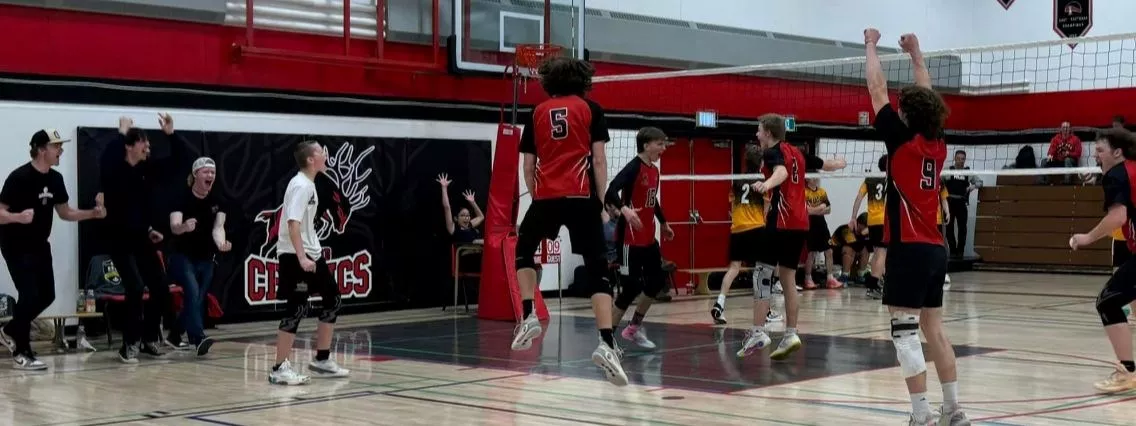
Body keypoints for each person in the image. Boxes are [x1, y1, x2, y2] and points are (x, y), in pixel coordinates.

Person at [865, 29, 968, 425]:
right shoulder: (938, 141)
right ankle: (954, 410)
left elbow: (877, 88)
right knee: (934, 330)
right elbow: (928, 98)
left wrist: (871, 43)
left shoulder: (902, 142)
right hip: (935, 248)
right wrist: (917, 55)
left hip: (908, 249)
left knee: (906, 332)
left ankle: (921, 415)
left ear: (906, 114)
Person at [511, 57, 627, 386]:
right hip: (581, 197)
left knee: (523, 250)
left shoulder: (536, 112)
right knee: (597, 267)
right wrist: (601, 200)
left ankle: (528, 314)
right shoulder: (591, 109)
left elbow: (528, 165)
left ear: (549, 81)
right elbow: (600, 160)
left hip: (546, 197)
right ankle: (606, 343)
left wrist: (538, 198)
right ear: (581, 79)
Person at [736, 115, 845, 361]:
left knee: (761, 273)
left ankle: (758, 332)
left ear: (769, 133)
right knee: (787, 276)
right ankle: (791, 333)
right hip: (800, 223)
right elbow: (824, 164)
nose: (756, 135)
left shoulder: (773, 153)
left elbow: (781, 172)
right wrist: (839, 163)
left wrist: (767, 184)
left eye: (759, 131)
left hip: (781, 221)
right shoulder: (796, 151)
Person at [0, 129, 105, 370]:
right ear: (41, 149)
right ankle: (22, 350)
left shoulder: (55, 179)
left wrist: (92, 214)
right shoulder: (19, 178)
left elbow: (65, 212)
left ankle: (10, 329)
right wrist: (17, 217)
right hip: (15, 244)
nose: (61, 150)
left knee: (47, 295)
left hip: (39, 244)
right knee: (29, 295)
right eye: (56, 146)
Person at [268, 140, 350, 386]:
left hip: (311, 254)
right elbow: (292, 223)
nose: (325, 154)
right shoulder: (301, 185)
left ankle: (322, 359)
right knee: (297, 308)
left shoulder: (310, 185)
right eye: (320, 151)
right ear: (311, 159)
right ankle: (279, 368)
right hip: (296, 257)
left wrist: (310, 254)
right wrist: (302, 256)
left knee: (333, 299)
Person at [99, 115, 177, 363]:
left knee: (160, 287)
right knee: (134, 287)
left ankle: (148, 339)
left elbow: (179, 160)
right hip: (118, 239)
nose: (148, 148)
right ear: (130, 146)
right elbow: (108, 158)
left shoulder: (146, 170)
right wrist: (121, 132)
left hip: (141, 237)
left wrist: (171, 134)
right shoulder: (114, 168)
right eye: (144, 143)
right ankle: (128, 344)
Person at [1069, 128, 1136, 393]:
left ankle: (1127, 372)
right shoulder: (1131, 169)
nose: (1095, 156)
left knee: (1108, 301)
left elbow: (1118, 217)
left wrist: (1087, 237)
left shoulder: (1118, 175)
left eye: (1100, 151)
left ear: (1117, 153)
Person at [604, 127, 674, 350]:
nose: (663, 148)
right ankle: (606, 341)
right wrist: (624, 209)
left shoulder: (654, 170)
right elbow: (610, 192)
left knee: (657, 282)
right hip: (629, 240)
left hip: (648, 239)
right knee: (631, 288)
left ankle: (633, 328)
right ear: (646, 145)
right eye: (660, 144)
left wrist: (663, 223)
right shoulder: (634, 168)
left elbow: (653, 201)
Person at [711, 145, 782, 325]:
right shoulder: (762, 181)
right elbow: (766, 207)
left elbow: (732, 204)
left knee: (734, 268)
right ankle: (765, 312)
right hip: (756, 228)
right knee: (762, 270)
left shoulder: (737, 180)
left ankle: (720, 303)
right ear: (761, 162)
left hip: (737, 229)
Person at [166, 155, 229, 357]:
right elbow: (174, 227)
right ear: (195, 175)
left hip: (206, 256)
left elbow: (218, 228)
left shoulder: (217, 200)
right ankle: (198, 338)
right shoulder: (180, 197)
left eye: (213, 172)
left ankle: (175, 335)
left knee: (198, 299)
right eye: (206, 172)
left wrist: (221, 243)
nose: (210, 175)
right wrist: (184, 226)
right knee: (192, 292)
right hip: (182, 255)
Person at [850, 154, 888, 299]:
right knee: (882, 253)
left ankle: (877, 282)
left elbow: (859, 198)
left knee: (879, 252)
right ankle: (873, 285)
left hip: (872, 222)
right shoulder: (891, 178)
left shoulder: (870, 178)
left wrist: (853, 217)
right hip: (885, 221)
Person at [942, 150, 981, 258]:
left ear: (965, 160)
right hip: (949, 203)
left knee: (962, 229)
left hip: (961, 203)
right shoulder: (948, 171)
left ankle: (960, 252)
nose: (960, 161)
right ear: (955, 158)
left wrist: (972, 187)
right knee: (949, 229)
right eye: (958, 158)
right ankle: (953, 251)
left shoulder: (967, 173)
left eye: (962, 159)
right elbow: (939, 181)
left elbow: (979, 182)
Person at [804, 178, 841, 289]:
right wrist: (820, 208)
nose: (816, 179)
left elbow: (829, 209)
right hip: (810, 226)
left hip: (822, 225)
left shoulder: (822, 191)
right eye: (813, 177)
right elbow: (807, 210)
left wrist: (815, 210)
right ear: (808, 179)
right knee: (811, 253)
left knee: (829, 251)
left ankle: (830, 278)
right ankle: (807, 278)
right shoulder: (803, 192)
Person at [437, 173, 484, 244]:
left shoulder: (470, 225)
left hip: (479, 251)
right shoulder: (453, 228)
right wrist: (444, 188)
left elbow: (481, 217)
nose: (466, 218)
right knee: (477, 241)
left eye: (468, 215)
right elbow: (447, 207)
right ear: (456, 218)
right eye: (463, 215)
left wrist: (473, 202)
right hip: (465, 253)